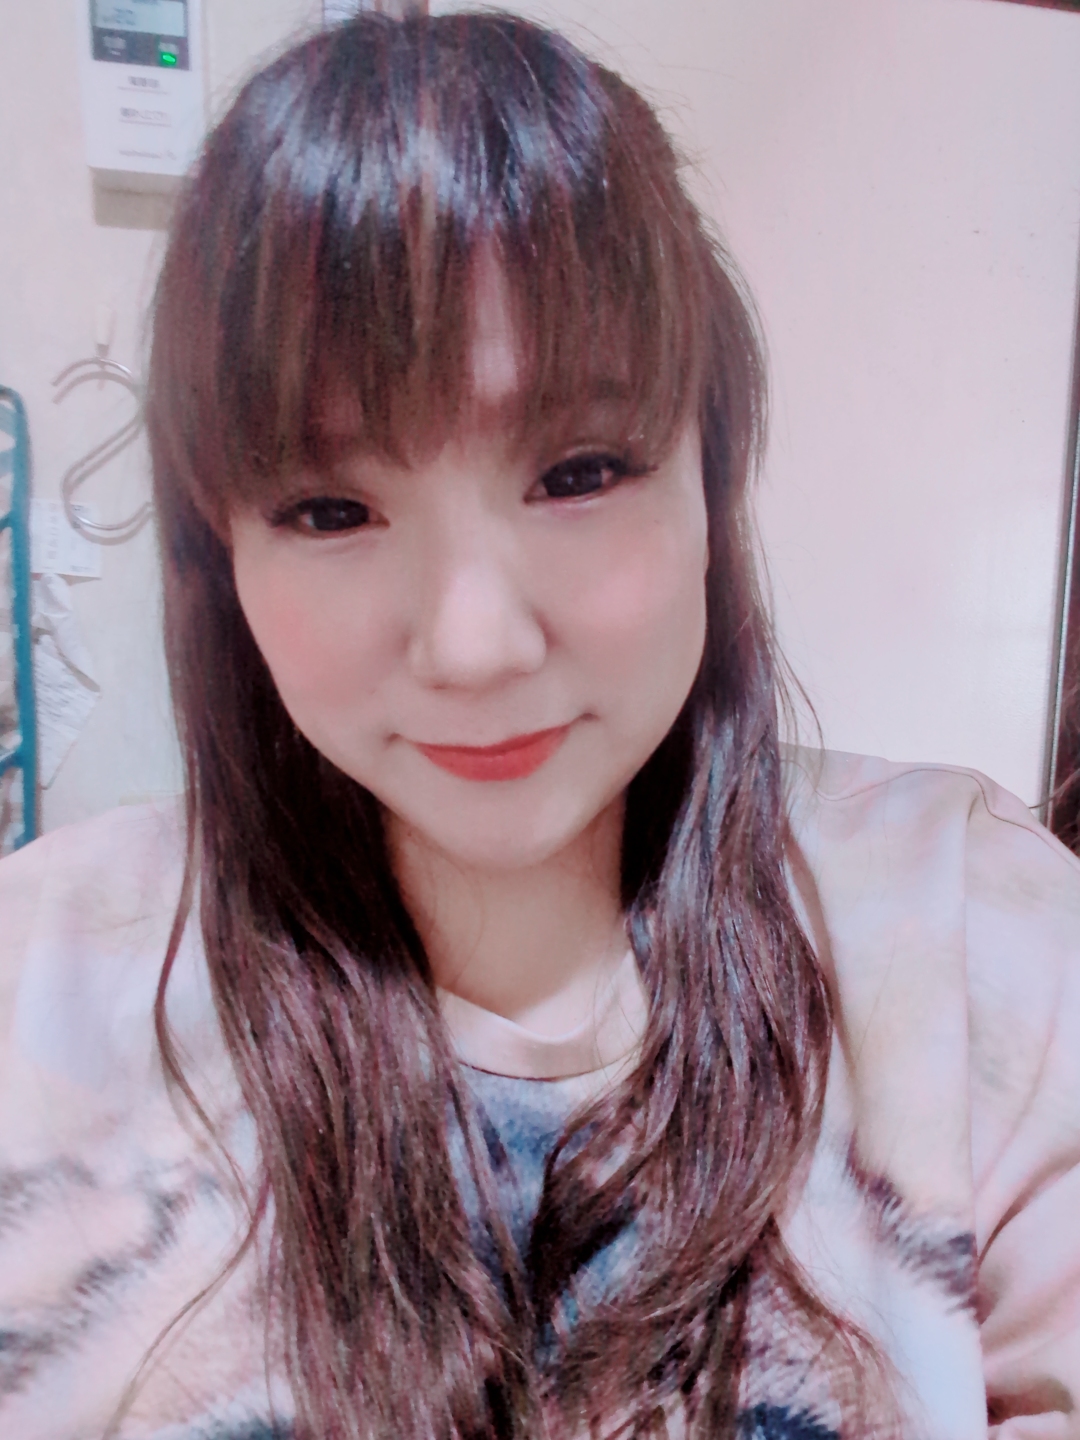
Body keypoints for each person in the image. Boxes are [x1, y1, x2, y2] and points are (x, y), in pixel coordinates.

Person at [2, 10, 1079, 1439]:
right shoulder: (38, 985)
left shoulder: (981, 937)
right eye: (331, 510)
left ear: (713, 479)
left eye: (579, 473)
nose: (476, 647)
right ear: (222, 553)